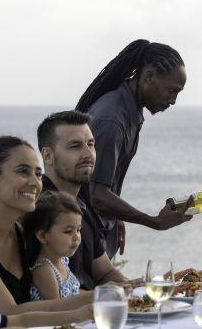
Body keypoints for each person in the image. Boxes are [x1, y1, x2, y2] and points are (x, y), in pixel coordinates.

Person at [76, 39, 193, 257]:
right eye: (172, 91)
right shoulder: (112, 120)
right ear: (148, 76)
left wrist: (118, 216)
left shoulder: (129, 109)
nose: (173, 100)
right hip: (81, 240)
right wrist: (154, 221)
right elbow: (97, 195)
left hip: (97, 232)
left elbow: (105, 184)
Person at [0, 135, 92, 313]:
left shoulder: (22, 231)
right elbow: (8, 314)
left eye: (38, 174)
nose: (35, 182)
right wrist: (97, 298)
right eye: (23, 171)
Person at [36, 110, 140, 290]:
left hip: (95, 304)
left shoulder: (81, 204)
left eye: (91, 144)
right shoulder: (39, 210)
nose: (88, 154)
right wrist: (105, 294)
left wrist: (131, 287)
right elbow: (54, 292)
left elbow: (105, 273)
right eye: (75, 146)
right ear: (47, 156)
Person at [23, 191, 83, 301]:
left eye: (78, 230)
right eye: (68, 231)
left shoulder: (63, 260)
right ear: (42, 236)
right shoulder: (45, 270)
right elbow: (57, 307)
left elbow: (74, 294)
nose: (76, 237)